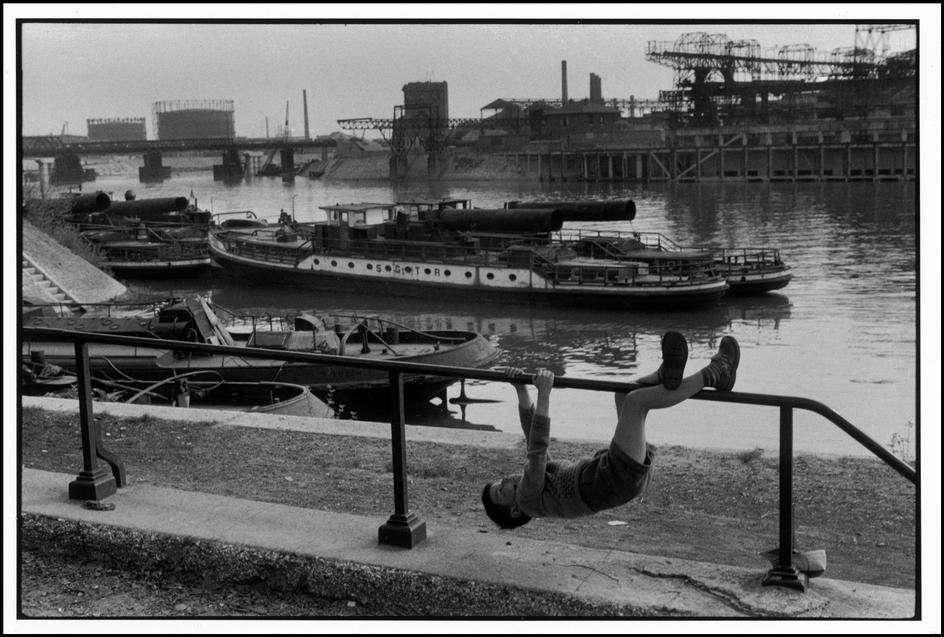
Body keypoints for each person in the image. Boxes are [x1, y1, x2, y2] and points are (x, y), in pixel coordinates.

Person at [481, 332, 740, 529]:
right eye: (501, 491)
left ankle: (661, 377)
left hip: (608, 476)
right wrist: (544, 393)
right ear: (514, 510)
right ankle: (717, 372)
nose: (504, 481)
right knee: (637, 404)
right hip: (610, 481)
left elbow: (531, 440)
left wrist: (519, 387)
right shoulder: (527, 500)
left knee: (622, 395)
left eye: (499, 482)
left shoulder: (537, 489)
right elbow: (537, 450)